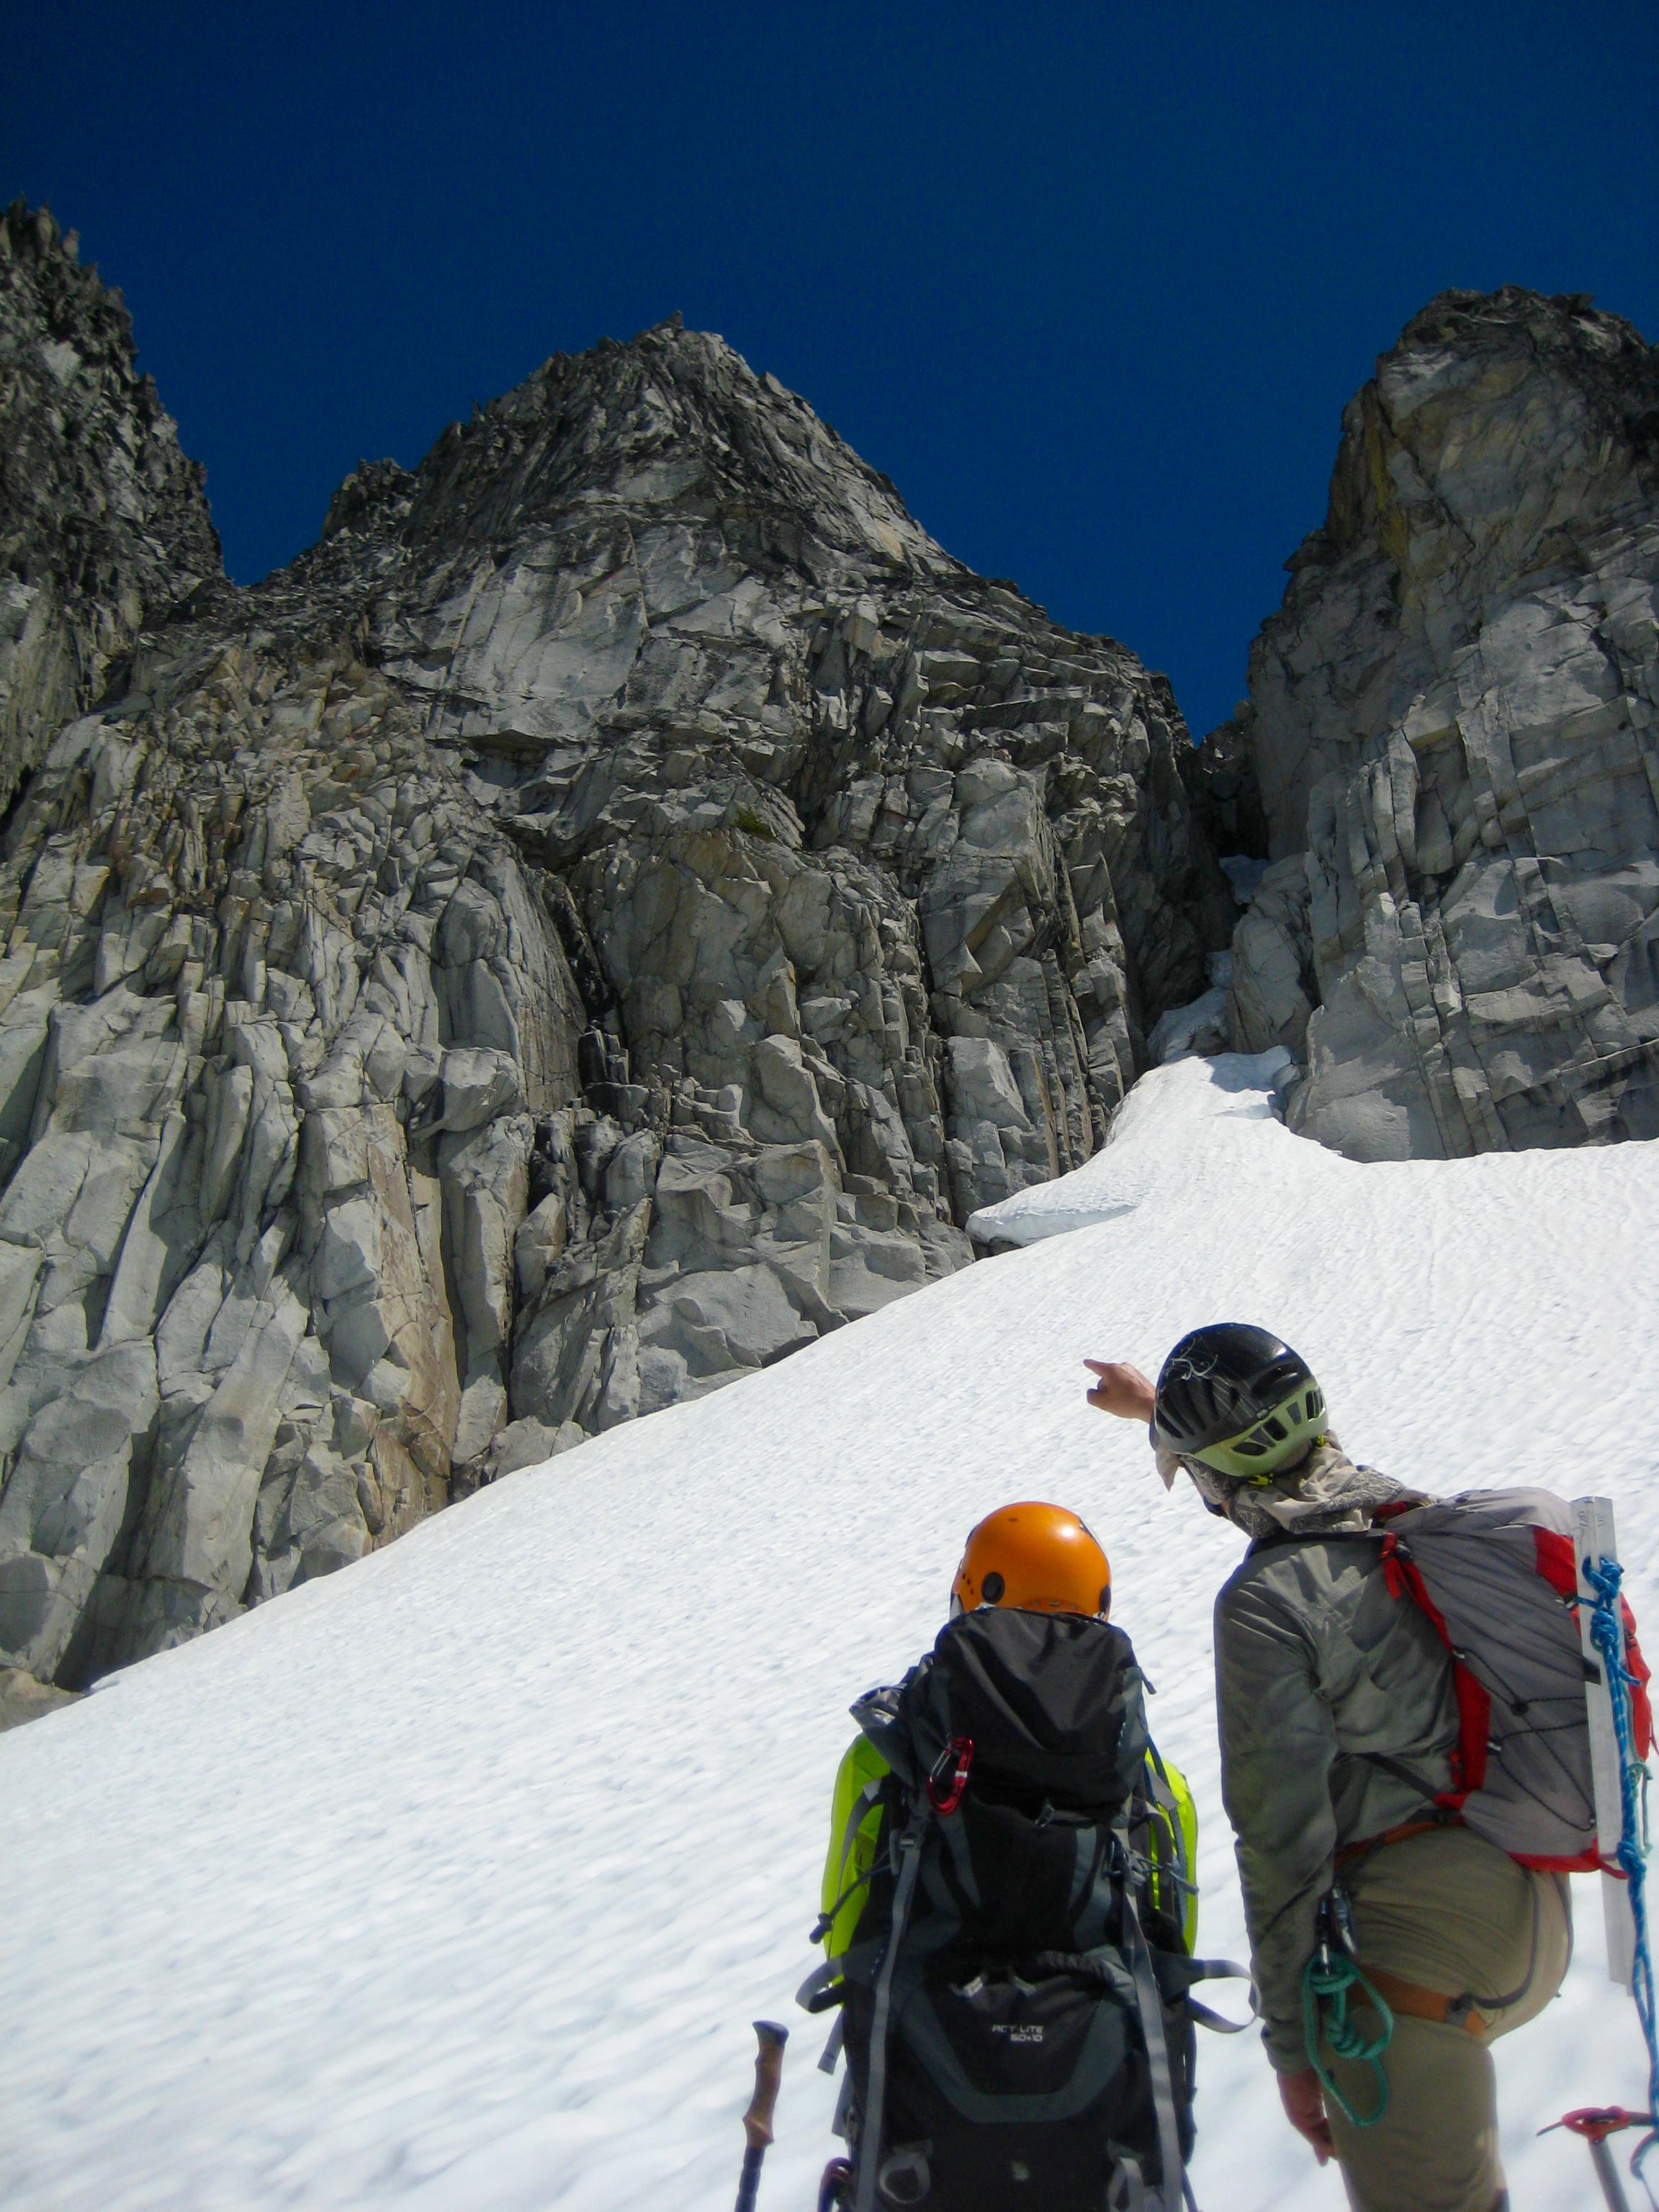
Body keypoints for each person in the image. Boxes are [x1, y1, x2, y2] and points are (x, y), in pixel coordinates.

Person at [1086, 1326, 1571, 2212]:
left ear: (1210, 1476)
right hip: (1527, 1908)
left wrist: (1293, 2049)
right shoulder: (1399, 1518)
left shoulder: (1265, 1605)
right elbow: (1288, 1471)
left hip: (1413, 1957)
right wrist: (1156, 1409)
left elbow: (1280, 1843)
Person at [811, 1502, 1201, 2211]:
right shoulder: (1151, 1782)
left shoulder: (885, 1760)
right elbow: (1172, 1945)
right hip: (1106, 2158)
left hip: (921, 2156)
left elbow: (848, 1938)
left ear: (971, 1593)